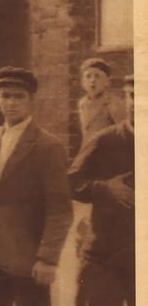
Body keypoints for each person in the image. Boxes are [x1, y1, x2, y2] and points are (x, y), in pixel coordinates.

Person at [0, 66, 73, 306]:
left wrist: (48, 258)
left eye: (19, 96)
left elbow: (60, 209)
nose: (11, 102)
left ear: (31, 100)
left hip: (28, 257)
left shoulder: (48, 146)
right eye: (6, 96)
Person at [68, 74, 135, 306]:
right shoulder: (104, 140)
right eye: (133, 96)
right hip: (105, 255)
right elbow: (72, 182)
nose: (138, 103)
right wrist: (106, 189)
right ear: (125, 99)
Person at [77, 58, 125, 146]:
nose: (92, 80)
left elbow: (123, 133)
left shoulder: (114, 103)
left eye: (97, 76)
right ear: (83, 82)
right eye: (88, 76)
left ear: (107, 81)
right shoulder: (82, 103)